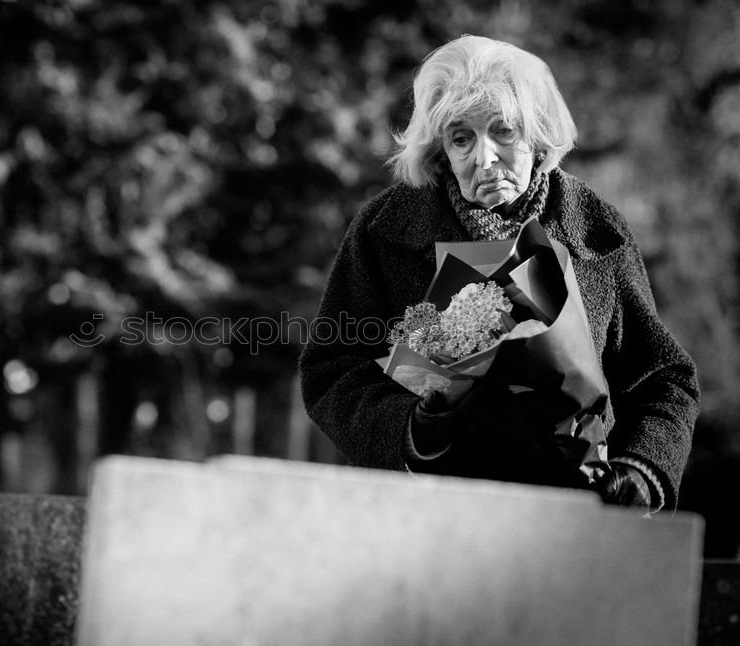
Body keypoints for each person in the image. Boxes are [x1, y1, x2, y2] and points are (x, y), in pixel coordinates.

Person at [298, 35, 699, 513]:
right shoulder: (384, 228)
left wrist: (644, 468)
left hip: (565, 527)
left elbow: (663, 378)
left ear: (538, 133)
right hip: (423, 520)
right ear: (440, 149)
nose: (484, 158)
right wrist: (413, 425)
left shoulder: (595, 227)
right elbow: (332, 371)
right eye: (461, 137)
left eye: (503, 131)